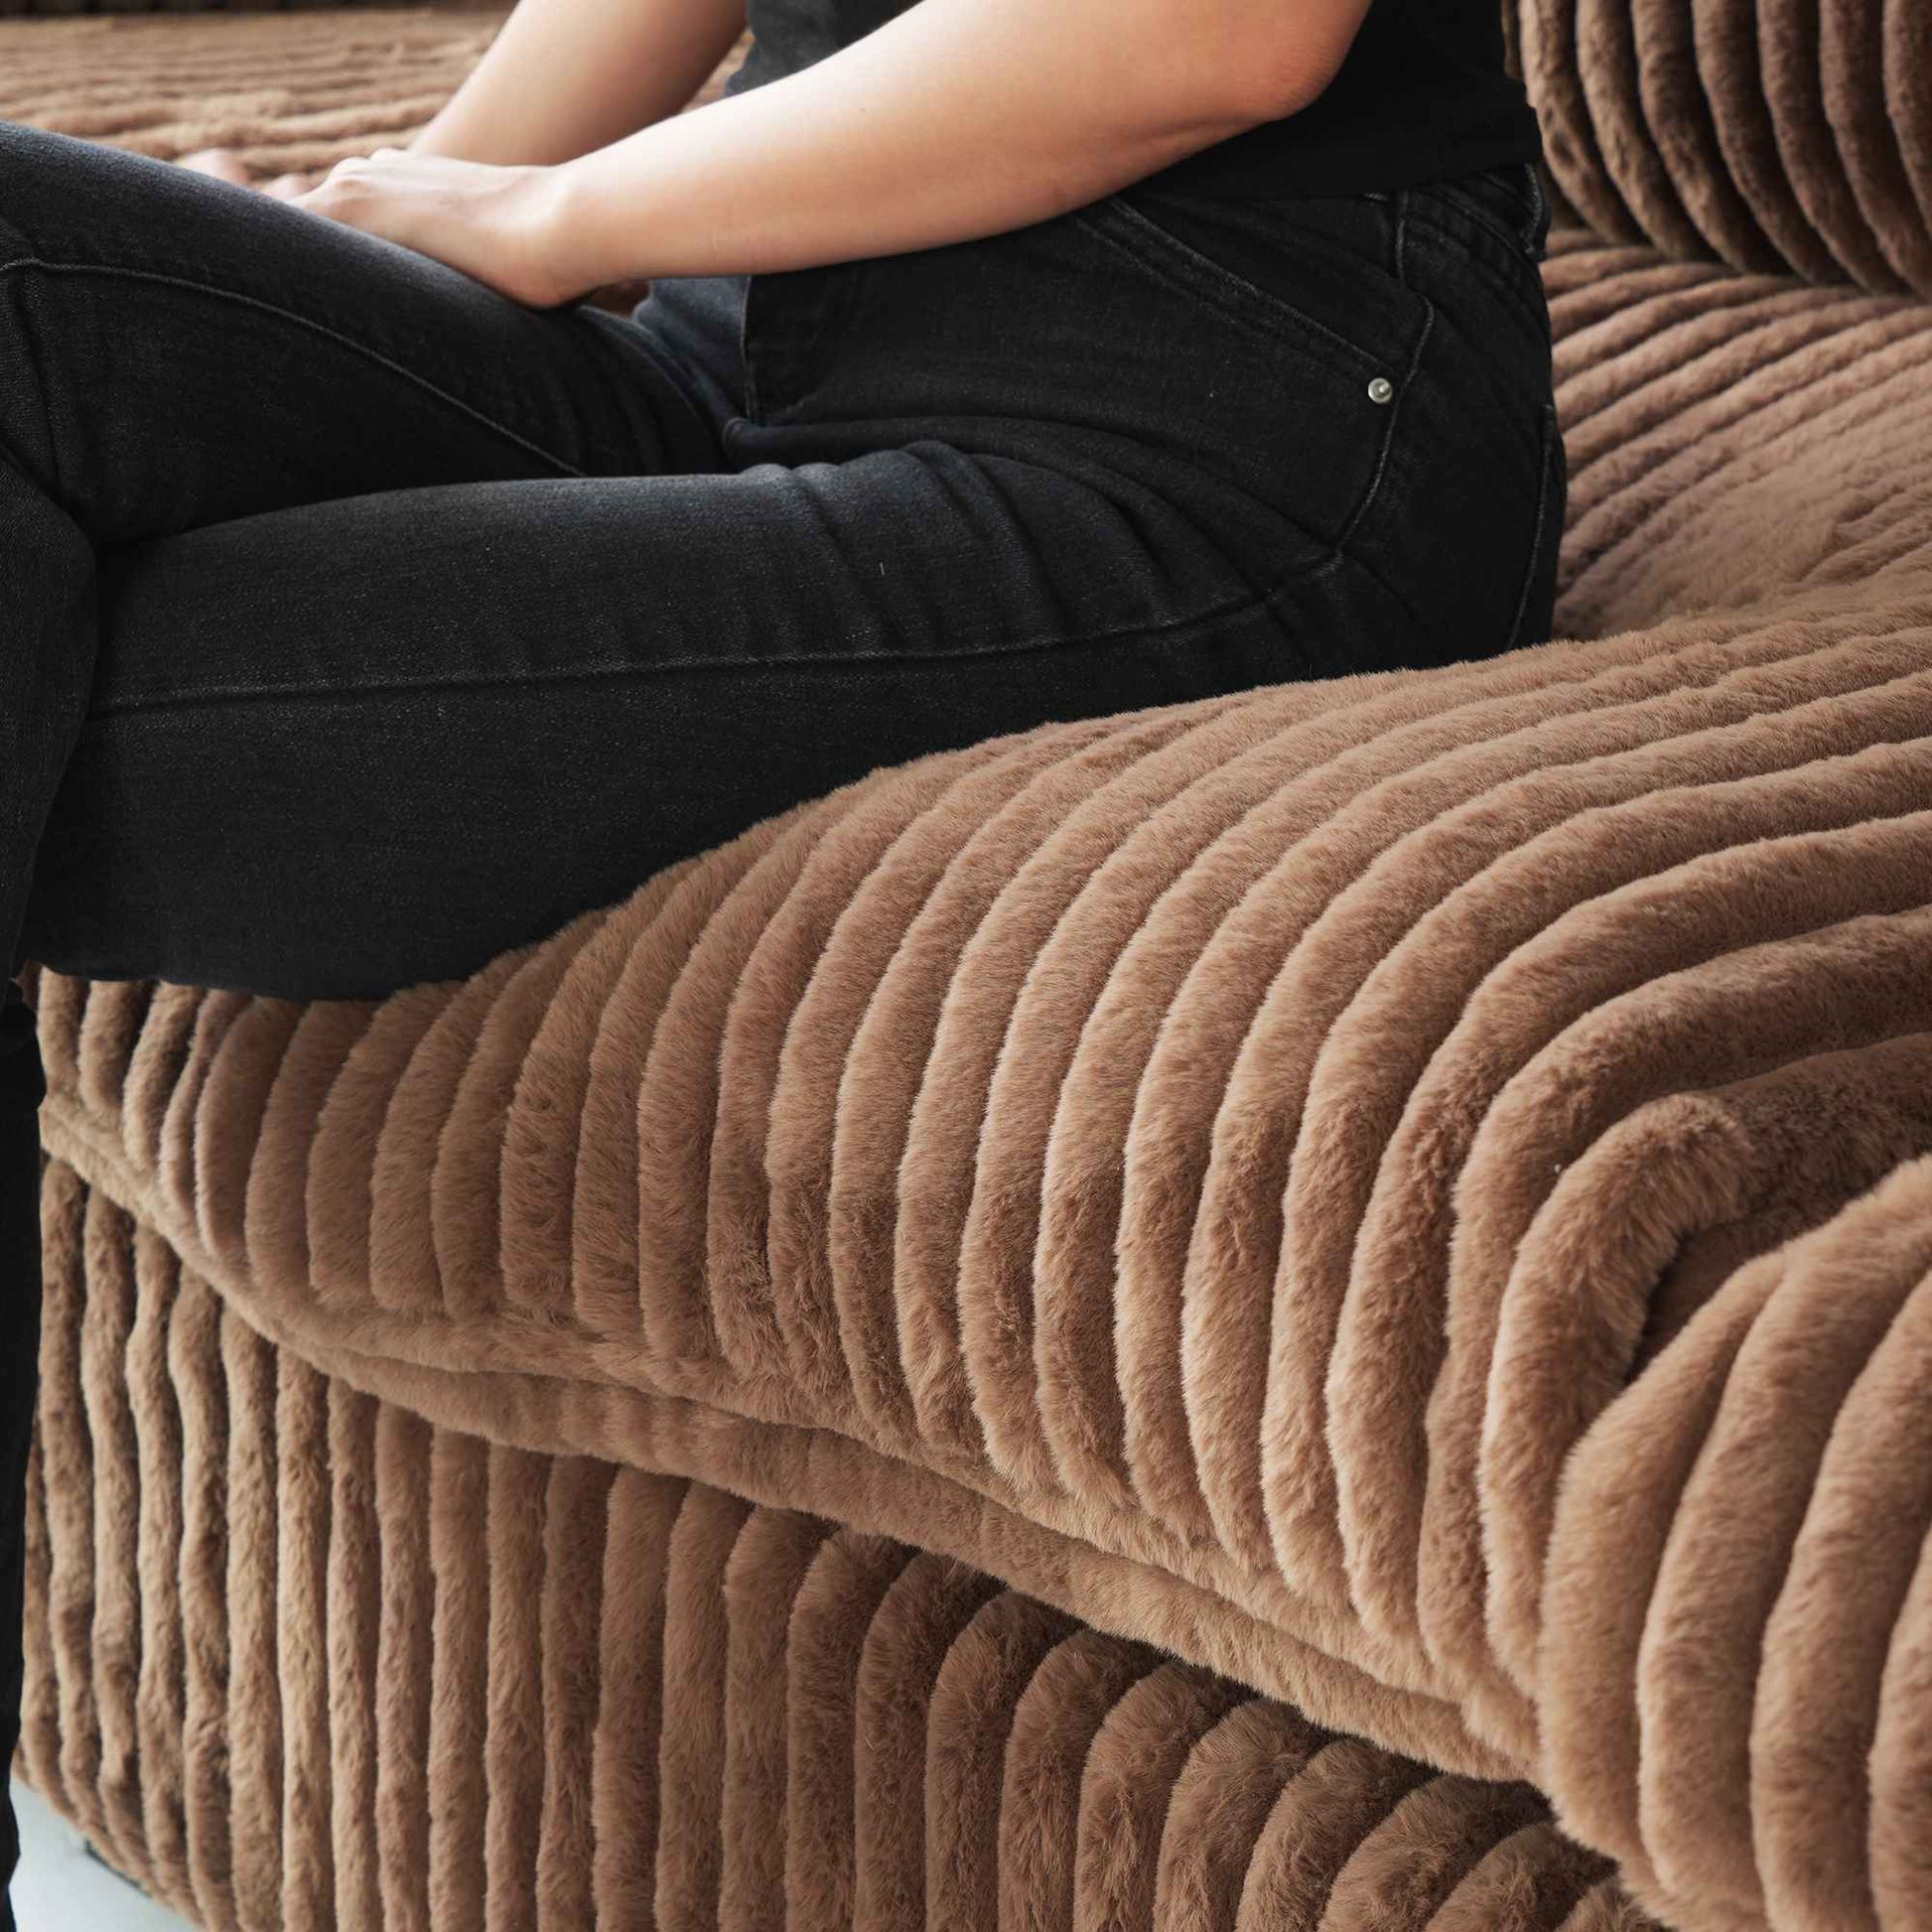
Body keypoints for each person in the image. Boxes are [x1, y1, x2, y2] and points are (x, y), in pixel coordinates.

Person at [0, 0, 1562, 1912]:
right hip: (745, 318)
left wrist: (558, 217)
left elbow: (1215, 33)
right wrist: (392, 215)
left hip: (1190, 422)